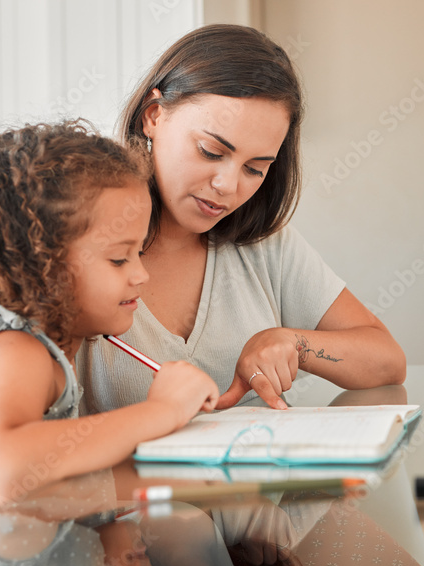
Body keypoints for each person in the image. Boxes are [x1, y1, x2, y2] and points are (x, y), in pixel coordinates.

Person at [0, 120, 220, 534]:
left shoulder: (37, 349)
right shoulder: (15, 349)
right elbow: (3, 475)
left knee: (184, 525)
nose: (141, 274)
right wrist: (162, 410)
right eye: (118, 259)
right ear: (40, 267)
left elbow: (53, 482)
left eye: (139, 252)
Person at [79, 24, 406, 414]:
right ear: (154, 116)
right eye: (211, 151)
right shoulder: (80, 235)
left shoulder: (263, 245)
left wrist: (292, 344)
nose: (227, 186)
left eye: (255, 168)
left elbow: (387, 361)